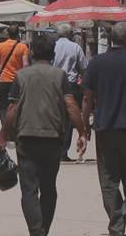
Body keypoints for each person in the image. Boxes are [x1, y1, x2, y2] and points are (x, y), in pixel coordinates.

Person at [0, 36, 87, 236]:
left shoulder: (21, 76)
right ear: (52, 55)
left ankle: (37, 231)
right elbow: (71, 105)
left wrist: (3, 135)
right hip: (53, 139)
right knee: (49, 188)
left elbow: (12, 109)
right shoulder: (60, 75)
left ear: (32, 54)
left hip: (26, 138)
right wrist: (82, 132)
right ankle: (42, 231)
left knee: (29, 190)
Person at [82, 22, 126, 236]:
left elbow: (87, 98)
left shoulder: (97, 63)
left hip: (105, 130)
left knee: (109, 181)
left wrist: (84, 126)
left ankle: (116, 226)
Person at [53, 23, 88, 162]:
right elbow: (84, 67)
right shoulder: (75, 47)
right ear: (69, 34)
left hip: (53, 83)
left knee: (55, 116)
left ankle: (54, 149)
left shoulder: (53, 46)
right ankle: (63, 152)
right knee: (69, 118)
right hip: (70, 85)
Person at [0, 24, 30, 125]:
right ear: (18, 34)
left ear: (7, 34)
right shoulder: (23, 47)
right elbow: (26, 65)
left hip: (3, 81)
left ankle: (5, 128)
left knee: (4, 106)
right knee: (18, 105)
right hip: (18, 81)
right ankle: (16, 126)